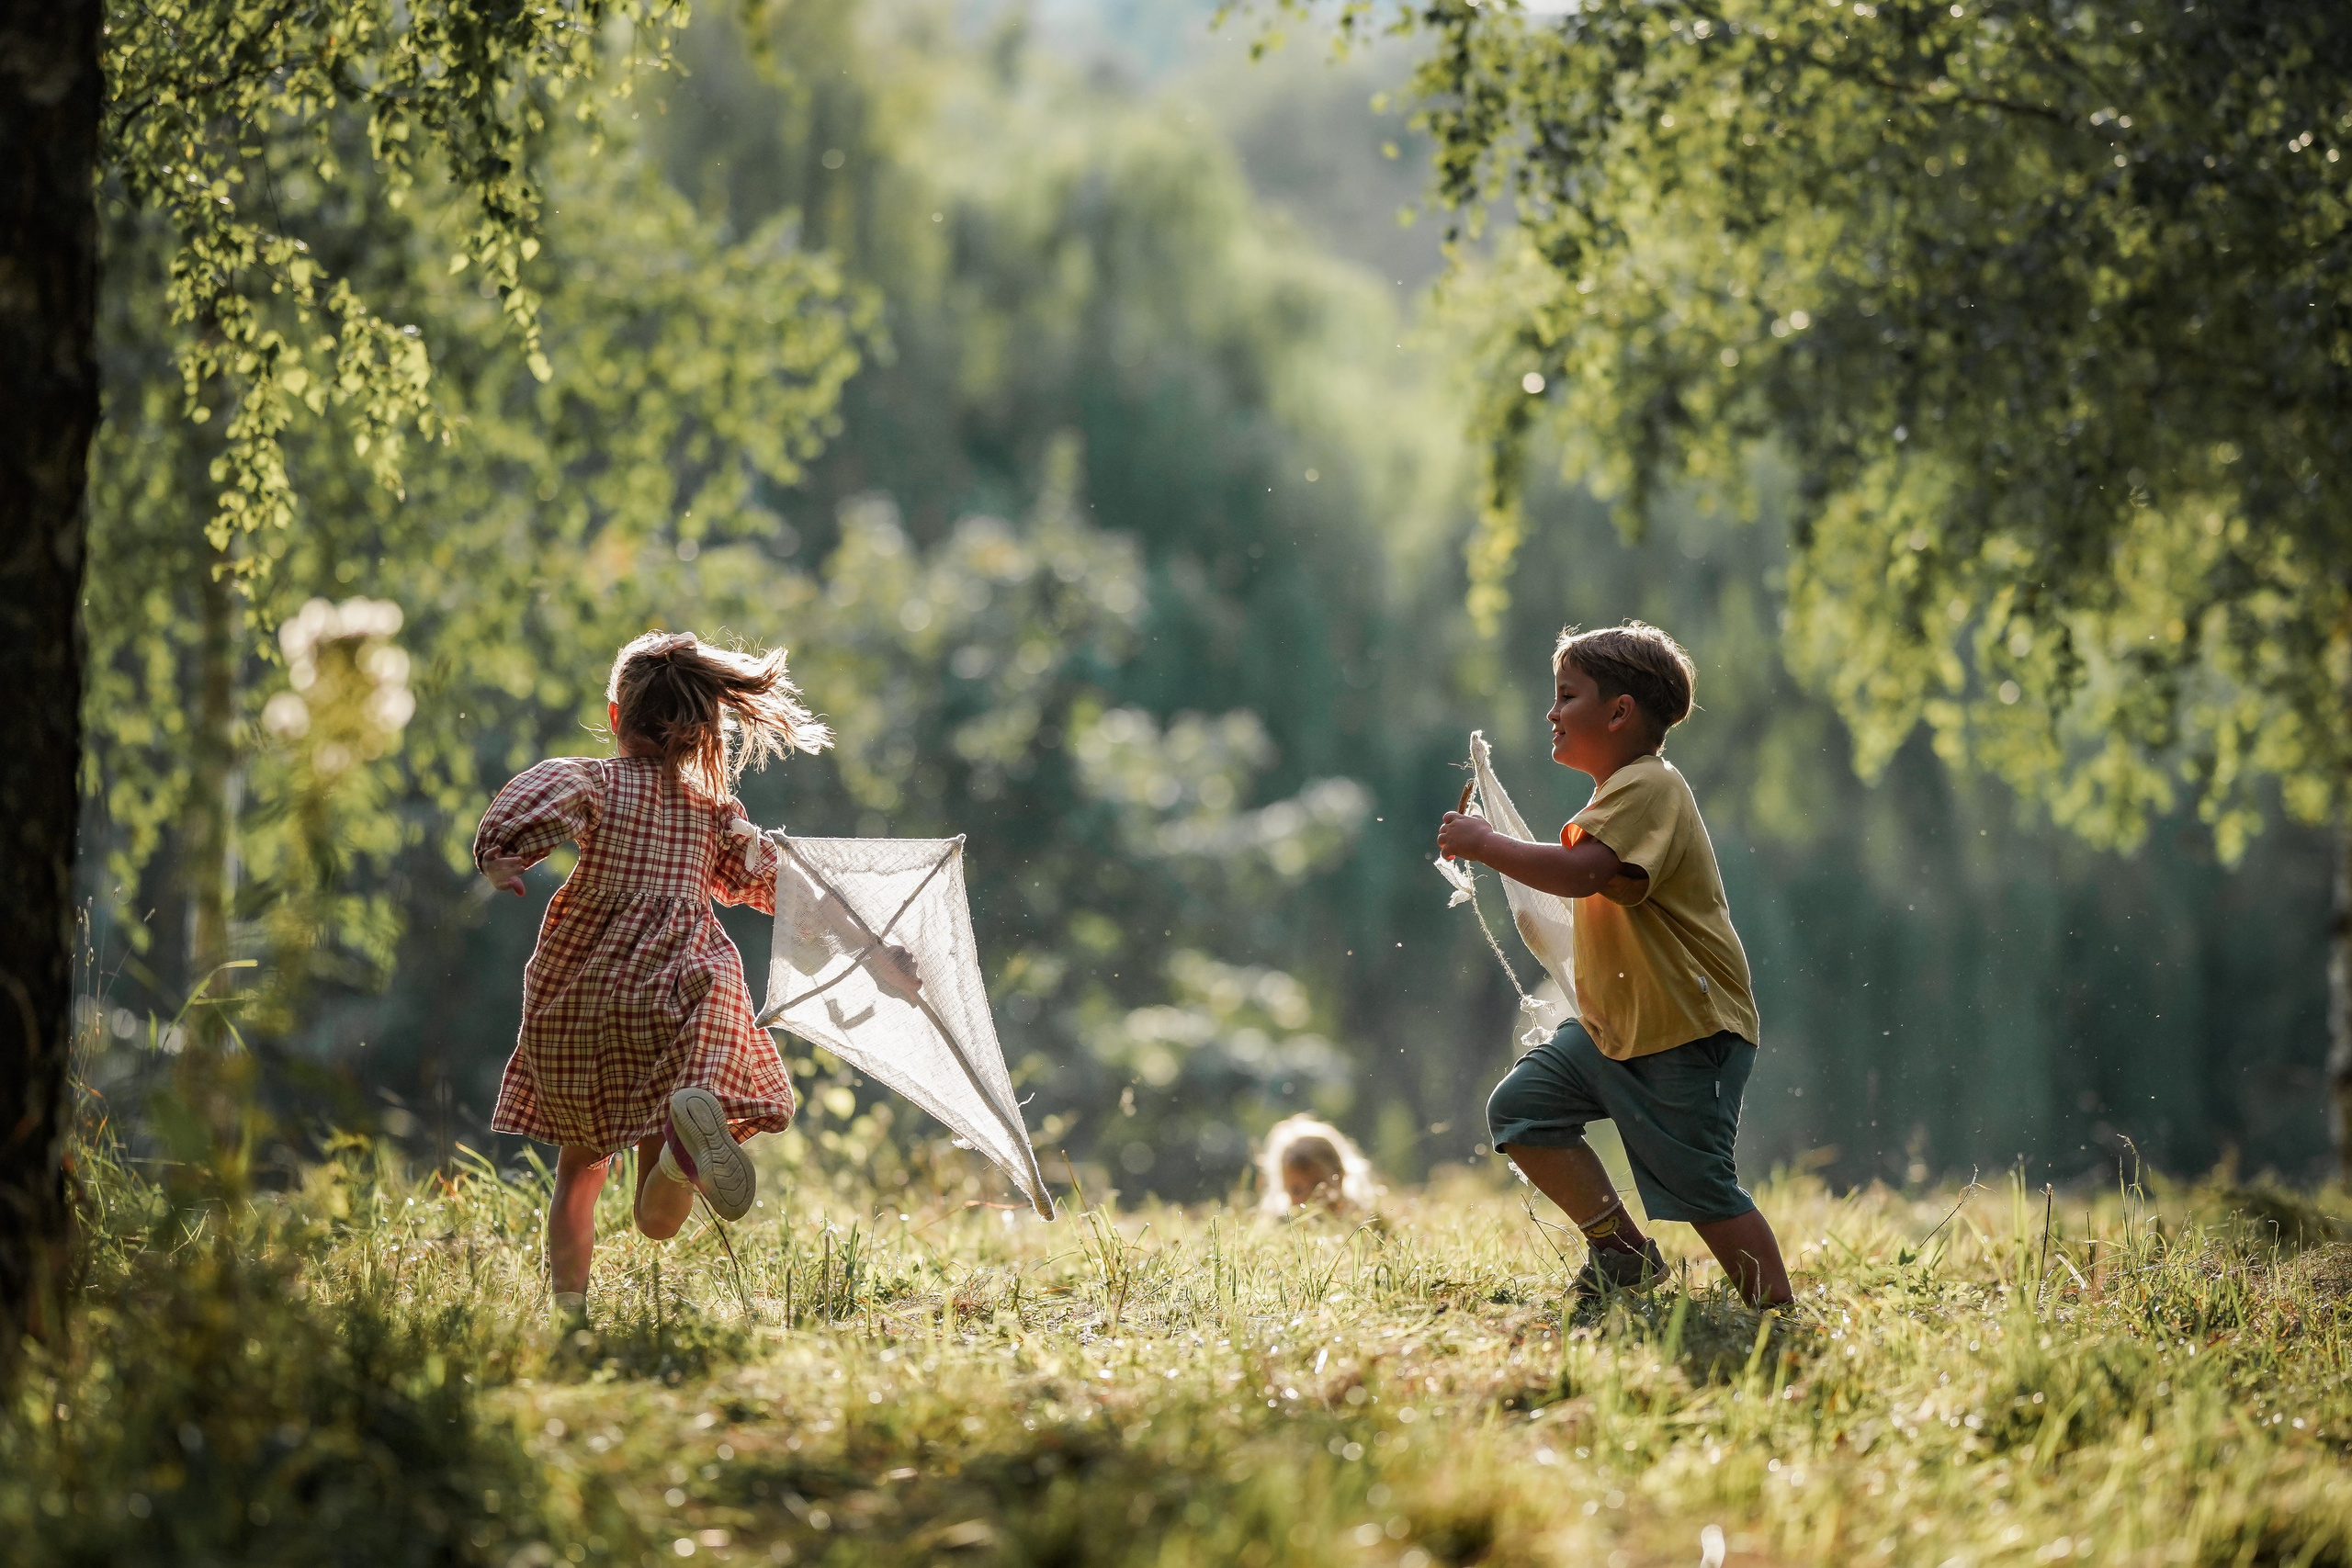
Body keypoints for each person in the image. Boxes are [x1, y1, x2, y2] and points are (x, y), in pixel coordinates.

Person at [474, 630, 832, 1319]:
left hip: (588, 995)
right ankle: (676, 1157)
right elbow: (779, 886)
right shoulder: (713, 815)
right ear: (701, 727)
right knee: (658, 1219)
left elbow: (538, 793)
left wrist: (500, 852)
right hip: (676, 996)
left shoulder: (596, 782)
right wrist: (870, 944)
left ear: (616, 716)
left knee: (580, 1168)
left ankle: (570, 1313)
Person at [1436, 622, 1792, 1308]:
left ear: (1620, 711)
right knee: (1523, 1111)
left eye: (1568, 696)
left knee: (1702, 1188)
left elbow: (1583, 872)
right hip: (1616, 1026)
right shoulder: (1618, 795)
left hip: (1685, 1030)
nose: (1552, 713)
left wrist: (1486, 844)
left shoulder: (1650, 786)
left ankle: (1776, 1315)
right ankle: (1622, 1254)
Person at [1255, 1113, 1379, 1215]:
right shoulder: (1281, 1226)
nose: (1308, 1199)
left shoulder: (1364, 1220)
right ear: (1284, 1188)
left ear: (1340, 1175)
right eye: (1296, 1190)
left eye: (1318, 1186)